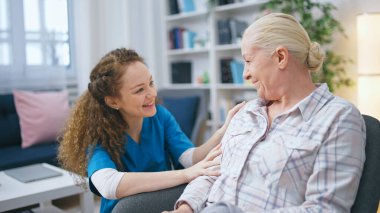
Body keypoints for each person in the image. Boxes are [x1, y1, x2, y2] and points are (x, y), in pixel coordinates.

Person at [167, 13, 366, 213]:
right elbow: (210, 172)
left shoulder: (338, 118)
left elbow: (325, 209)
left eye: (248, 60)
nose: (245, 73)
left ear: (280, 57)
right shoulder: (246, 113)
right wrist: (184, 209)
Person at [57, 48, 245, 213]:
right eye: (139, 90)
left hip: (163, 199)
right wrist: (184, 175)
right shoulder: (98, 134)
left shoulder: (159, 116)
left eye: (151, 83)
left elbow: (188, 157)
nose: (152, 94)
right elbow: (108, 184)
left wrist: (223, 131)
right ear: (113, 101)